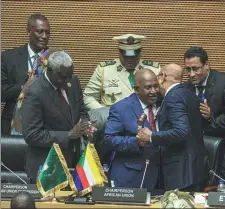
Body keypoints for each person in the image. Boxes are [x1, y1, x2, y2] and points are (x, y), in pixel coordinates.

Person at [21, 50, 94, 182]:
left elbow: (81, 110)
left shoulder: (73, 81)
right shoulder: (35, 92)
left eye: (69, 76)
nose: (67, 82)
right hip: (47, 167)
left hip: (74, 162)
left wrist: (86, 125)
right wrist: (68, 135)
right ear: (49, 70)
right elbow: (32, 134)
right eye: (62, 77)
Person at [183, 46, 225, 191]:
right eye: (188, 70)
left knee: (224, 194)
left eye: (196, 68)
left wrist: (211, 118)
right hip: (205, 153)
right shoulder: (186, 88)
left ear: (207, 65)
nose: (191, 74)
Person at [137, 64, 207, 191]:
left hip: (181, 172)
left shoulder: (173, 97)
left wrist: (151, 136)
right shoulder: (190, 94)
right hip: (196, 169)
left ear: (162, 77)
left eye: (158, 77)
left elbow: (182, 131)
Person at [104, 69, 160, 188]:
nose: (154, 91)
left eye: (156, 86)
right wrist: (136, 142)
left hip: (160, 176)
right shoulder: (121, 108)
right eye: (148, 87)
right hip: (131, 176)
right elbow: (109, 139)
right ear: (136, 89)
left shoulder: (163, 104)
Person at [1, 13, 50, 135]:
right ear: (28, 31)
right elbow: (2, 92)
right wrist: (24, 87)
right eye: (40, 31)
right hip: (13, 122)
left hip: (46, 124)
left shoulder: (55, 58)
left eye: (47, 32)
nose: (44, 36)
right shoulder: (8, 57)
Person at [83, 33, 161, 110]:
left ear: (140, 52)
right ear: (119, 52)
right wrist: (106, 113)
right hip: (114, 120)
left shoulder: (154, 70)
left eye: (134, 55)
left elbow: (164, 96)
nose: (130, 59)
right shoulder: (104, 70)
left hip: (147, 119)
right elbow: (89, 97)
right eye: (126, 55)